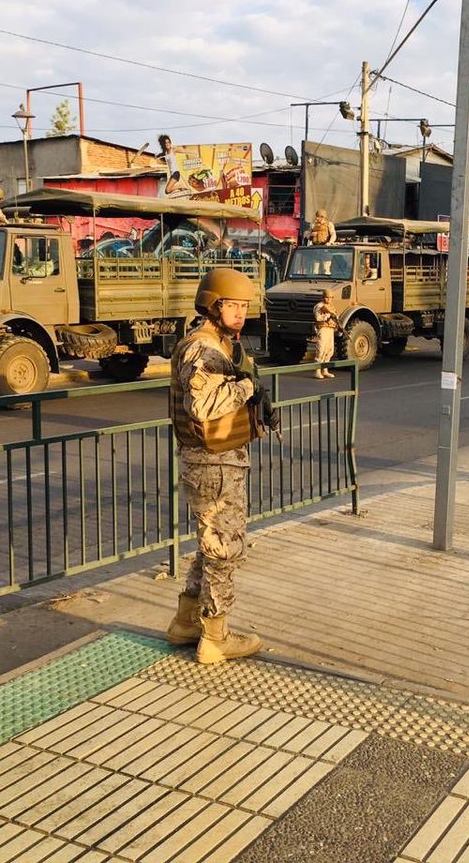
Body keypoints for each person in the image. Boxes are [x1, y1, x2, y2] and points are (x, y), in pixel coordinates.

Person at [165, 268, 277, 665]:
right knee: (225, 550)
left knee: (210, 547)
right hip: (213, 464)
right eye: (232, 305)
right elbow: (202, 405)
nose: (240, 313)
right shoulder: (203, 348)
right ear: (213, 305)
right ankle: (215, 638)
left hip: (215, 462)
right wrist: (248, 387)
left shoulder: (219, 344)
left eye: (244, 306)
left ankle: (186, 623)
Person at [312, 290, 339, 379]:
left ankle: (325, 370)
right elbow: (318, 317)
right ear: (323, 297)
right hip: (322, 329)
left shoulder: (331, 306)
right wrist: (327, 317)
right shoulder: (319, 306)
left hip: (330, 329)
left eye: (330, 298)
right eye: (327, 297)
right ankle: (317, 371)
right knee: (321, 350)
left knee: (329, 350)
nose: (328, 299)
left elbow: (336, 317)